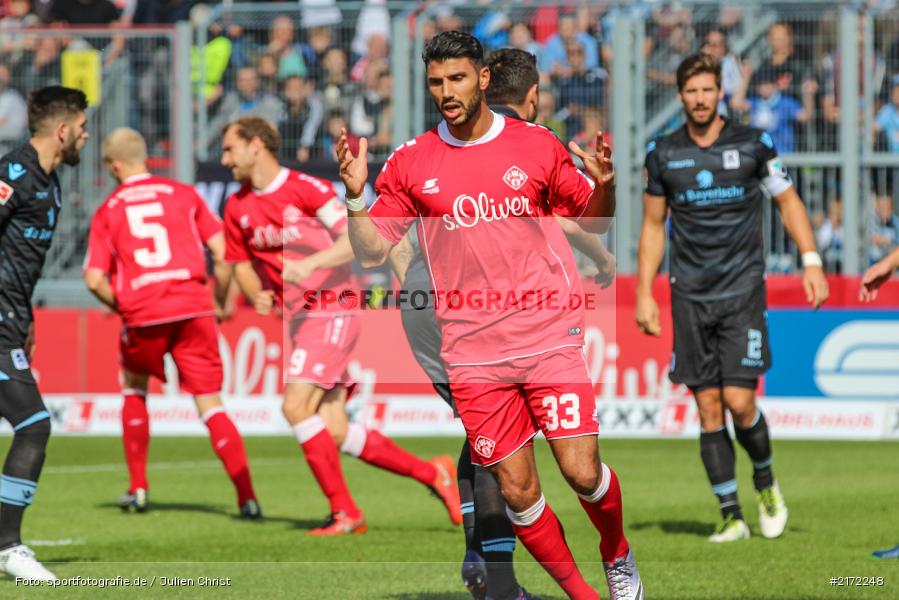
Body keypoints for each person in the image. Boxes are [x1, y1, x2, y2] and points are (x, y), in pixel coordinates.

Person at [338, 31, 643, 600]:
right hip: (472, 352)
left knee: (580, 471)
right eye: (436, 82)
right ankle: (585, 597)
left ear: (482, 79)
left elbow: (594, 221)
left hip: (547, 331)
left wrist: (606, 188)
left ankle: (617, 553)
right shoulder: (411, 161)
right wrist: (356, 197)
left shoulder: (535, 144)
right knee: (519, 491)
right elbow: (372, 251)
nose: (446, 92)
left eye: (456, 78)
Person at [219, 116, 461, 535]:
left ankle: (345, 512)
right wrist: (254, 292)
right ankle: (433, 473)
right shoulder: (236, 205)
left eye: (230, 148)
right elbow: (238, 263)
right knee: (333, 429)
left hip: (332, 306)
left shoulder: (305, 189)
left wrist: (309, 265)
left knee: (295, 407)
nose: (225, 159)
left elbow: (354, 238)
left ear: (256, 145)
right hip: (298, 319)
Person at [636, 53, 829, 543]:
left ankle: (765, 481)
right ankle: (731, 515)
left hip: (742, 290)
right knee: (707, 408)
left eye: (708, 90)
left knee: (741, 403)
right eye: (691, 91)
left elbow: (788, 201)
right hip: (689, 297)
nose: (700, 99)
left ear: (719, 92)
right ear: (680, 95)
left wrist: (811, 262)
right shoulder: (662, 154)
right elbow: (653, 227)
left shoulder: (753, 144)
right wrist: (644, 293)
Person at [83, 128, 260, 517]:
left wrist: (123, 305)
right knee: (211, 403)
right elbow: (223, 251)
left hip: (144, 311)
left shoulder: (108, 209)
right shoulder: (183, 194)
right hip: (194, 308)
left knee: (134, 388)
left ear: (114, 165)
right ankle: (247, 498)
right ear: (144, 157)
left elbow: (94, 279)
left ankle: (139, 488)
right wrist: (218, 299)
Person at [0, 85, 89, 581]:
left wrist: (25, 318)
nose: (86, 134)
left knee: (31, 424)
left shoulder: (50, 184)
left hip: (12, 323)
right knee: (33, 424)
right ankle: (7, 546)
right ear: (63, 130)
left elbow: (20, 262)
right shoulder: (13, 173)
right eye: (82, 126)